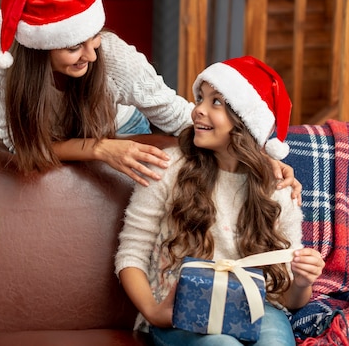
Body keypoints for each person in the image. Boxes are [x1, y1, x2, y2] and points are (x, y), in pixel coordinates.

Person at [0, 0, 299, 199]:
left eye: (95, 38)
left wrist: (259, 158)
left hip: (123, 132)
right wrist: (101, 150)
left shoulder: (117, 60)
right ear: (37, 47)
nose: (90, 56)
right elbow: (18, 142)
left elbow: (177, 115)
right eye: (74, 47)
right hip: (81, 144)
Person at [115, 56, 325, 345]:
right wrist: (153, 312)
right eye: (201, 98)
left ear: (244, 121)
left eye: (216, 102)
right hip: (179, 312)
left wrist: (302, 281)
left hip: (255, 307)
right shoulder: (168, 169)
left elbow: (288, 298)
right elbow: (131, 254)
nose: (197, 110)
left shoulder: (277, 188)